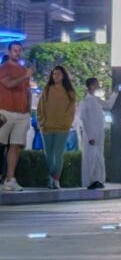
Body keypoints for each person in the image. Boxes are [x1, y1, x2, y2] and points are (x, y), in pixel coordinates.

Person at [38, 65, 77, 189]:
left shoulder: (70, 92)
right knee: (48, 154)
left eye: (59, 74)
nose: (56, 76)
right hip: (46, 127)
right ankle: (52, 176)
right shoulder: (47, 90)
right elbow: (40, 108)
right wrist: (42, 122)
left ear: (63, 76)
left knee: (58, 154)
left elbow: (71, 111)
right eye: (54, 73)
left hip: (62, 128)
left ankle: (56, 179)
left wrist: (66, 123)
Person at [0, 42, 31, 192]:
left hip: (22, 114)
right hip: (5, 112)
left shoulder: (24, 70)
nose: (17, 53)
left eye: (19, 50)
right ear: (9, 51)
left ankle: (10, 179)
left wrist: (28, 111)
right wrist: (25, 76)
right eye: (15, 50)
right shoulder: (3, 68)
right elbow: (9, 84)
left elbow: (27, 91)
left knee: (15, 146)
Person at [77, 77, 108, 190]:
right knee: (90, 158)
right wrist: (90, 136)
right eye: (96, 84)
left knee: (99, 157)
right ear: (91, 86)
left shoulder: (97, 100)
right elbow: (84, 120)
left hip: (99, 134)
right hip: (91, 135)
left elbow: (108, 105)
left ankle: (99, 180)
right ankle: (90, 181)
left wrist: (115, 94)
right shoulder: (85, 101)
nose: (98, 86)